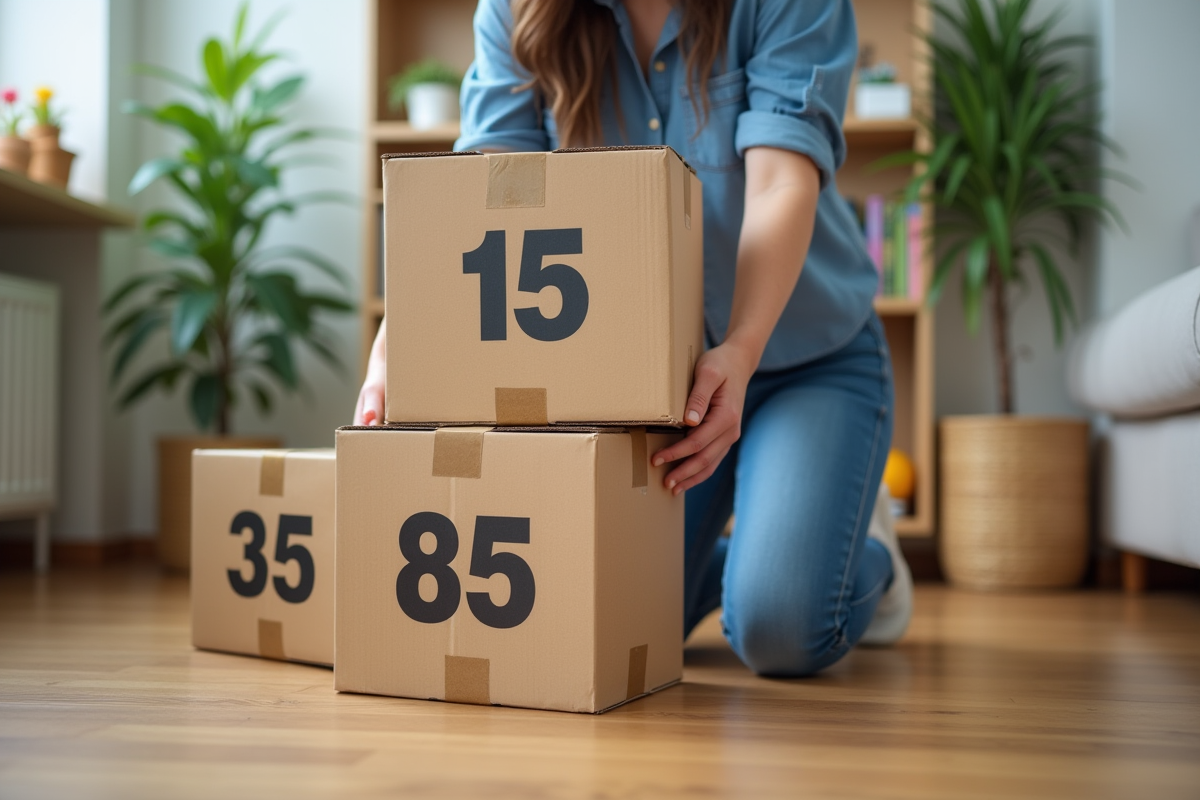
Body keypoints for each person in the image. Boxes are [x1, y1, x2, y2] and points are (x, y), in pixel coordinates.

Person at [355, 0, 913, 676]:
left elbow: (778, 183)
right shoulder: (516, 13)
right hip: (651, 389)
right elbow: (481, 200)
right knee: (602, 616)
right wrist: (399, 338)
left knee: (780, 630)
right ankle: (788, 539)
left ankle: (865, 551)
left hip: (807, 356)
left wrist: (739, 348)